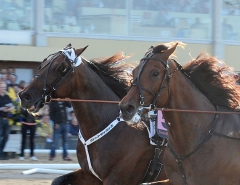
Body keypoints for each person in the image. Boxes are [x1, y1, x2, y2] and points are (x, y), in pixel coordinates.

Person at [0, 81, 14, 160]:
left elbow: (12, 106)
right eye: (2, 87)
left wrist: (9, 109)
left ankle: (1, 153)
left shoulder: (7, 97)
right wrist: (2, 109)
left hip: (6, 120)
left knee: (6, 137)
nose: (3, 89)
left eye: (4, 87)